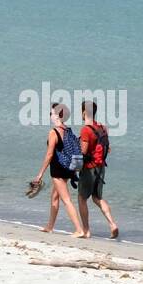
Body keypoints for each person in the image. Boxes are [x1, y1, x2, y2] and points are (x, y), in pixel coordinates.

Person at [31, 103, 87, 237]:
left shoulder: (53, 132)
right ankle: (50, 226)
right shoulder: (68, 130)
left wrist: (40, 174)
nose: (50, 116)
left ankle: (79, 230)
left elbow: (49, 155)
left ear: (57, 115)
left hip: (57, 170)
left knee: (66, 200)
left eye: (51, 114)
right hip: (68, 168)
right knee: (54, 197)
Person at [77, 99, 119, 239]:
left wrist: (73, 169)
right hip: (101, 168)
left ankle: (86, 230)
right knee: (97, 198)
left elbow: (83, 152)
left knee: (82, 198)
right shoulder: (102, 128)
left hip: (89, 169)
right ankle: (112, 224)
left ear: (84, 113)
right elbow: (108, 148)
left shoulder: (85, 130)